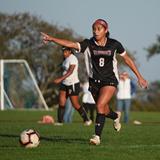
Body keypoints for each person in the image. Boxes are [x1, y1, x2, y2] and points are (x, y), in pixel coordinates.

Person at [41, 18, 148, 145]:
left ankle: (97, 136)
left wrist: (139, 77)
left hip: (110, 80)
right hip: (94, 82)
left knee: (99, 106)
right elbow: (71, 44)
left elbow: (127, 59)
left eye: (99, 29)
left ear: (106, 30)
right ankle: (115, 116)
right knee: (104, 109)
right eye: (94, 29)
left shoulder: (115, 44)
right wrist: (52, 39)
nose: (96, 32)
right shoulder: (88, 44)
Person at [53, 46, 92, 126]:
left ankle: (86, 119)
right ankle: (60, 121)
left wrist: (60, 79)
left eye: (66, 51)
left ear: (70, 51)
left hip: (72, 84)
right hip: (64, 83)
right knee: (61, 102)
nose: (64, 53)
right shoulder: (65, 60)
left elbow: (70, 71)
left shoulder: (73, 58)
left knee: (75, 104)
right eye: (63, 52)